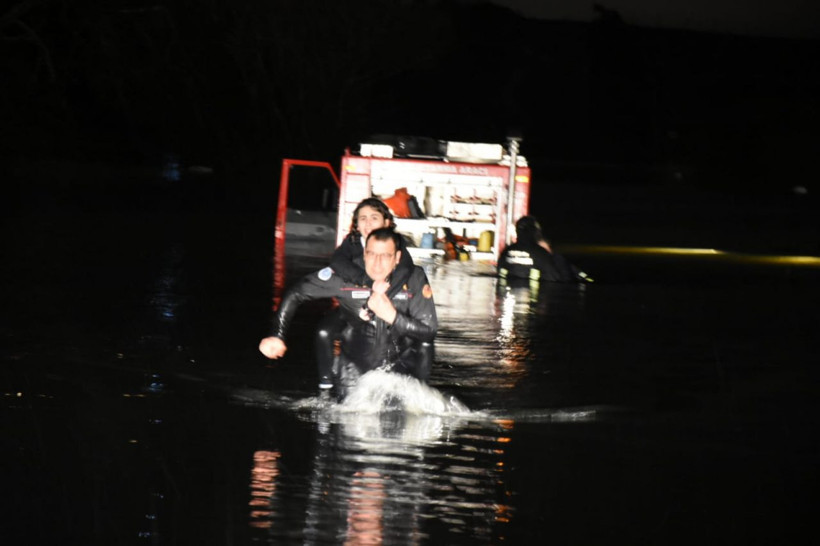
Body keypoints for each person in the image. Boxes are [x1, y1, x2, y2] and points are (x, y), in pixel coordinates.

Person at [259, 228, 438, 400]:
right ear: (364, 254)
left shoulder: (414, 278)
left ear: (397, 258)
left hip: (400, 373)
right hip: (353, 376)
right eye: (372, 254)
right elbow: (297, 292)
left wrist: (393, 316)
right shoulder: (346, 276)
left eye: (385, 256)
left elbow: (429, 331)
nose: (377, 263)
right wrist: (277, 334)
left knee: (424, 344)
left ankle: (421, 393)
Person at [314, 198, 432, 392]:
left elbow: (404, 271)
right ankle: (325, 388)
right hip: (355, 306)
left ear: (386, 223)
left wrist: (376, 302)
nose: (368, 223)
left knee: (423, 337)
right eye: (363, 218)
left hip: (390, 306)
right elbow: (337, 261)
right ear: (356, 224)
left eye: (374, 218)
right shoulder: (352, 242)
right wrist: (366, 283)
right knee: (324, 332)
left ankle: (422, 391)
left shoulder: (396, 243)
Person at [497, 215, 592, 284]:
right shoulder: (540, 253)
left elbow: (499, 271)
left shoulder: (506, 252)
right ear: (535, 231)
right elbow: (555, 278)